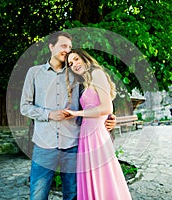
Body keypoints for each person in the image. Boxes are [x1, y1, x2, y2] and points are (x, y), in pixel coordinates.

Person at [20, 31, 116, 200]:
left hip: (72, 143)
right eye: (63, 46)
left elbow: (93, 99)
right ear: (51, 47)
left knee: (72, 194)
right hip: (44, 144)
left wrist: (110, 117)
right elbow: (24, 107)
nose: (67, 50)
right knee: (38, 195)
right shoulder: (34, 73)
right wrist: (49, 114)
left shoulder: (76, 74)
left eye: (70, 47)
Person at [65, 49, 132, 200]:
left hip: (96, 135)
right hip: (85, 135)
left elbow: (107, 107)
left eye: (76, 59)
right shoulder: (83, 83)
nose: (74, 64)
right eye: (70, 63)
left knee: (103, 177)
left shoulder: (97, 73)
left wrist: (77, 113)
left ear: (84, 58)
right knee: (90, 178)